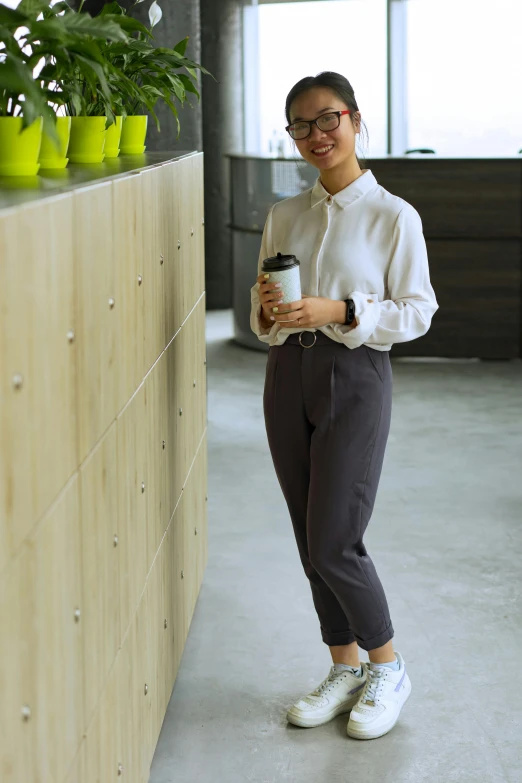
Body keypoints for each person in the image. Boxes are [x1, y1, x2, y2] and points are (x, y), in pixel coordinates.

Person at [249, 72, 439, 741]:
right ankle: (345, 665)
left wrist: (343, 309)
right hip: (286, 371)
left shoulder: (393, 215)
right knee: (310, 537)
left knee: (336, 537)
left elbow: (418, 312)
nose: (316, 135)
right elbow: (261, 306)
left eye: (327, 119)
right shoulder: (285, 214)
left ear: (355, 120)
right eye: (300, 125)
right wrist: (269, 312)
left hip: (355, 374)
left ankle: (388, 664)